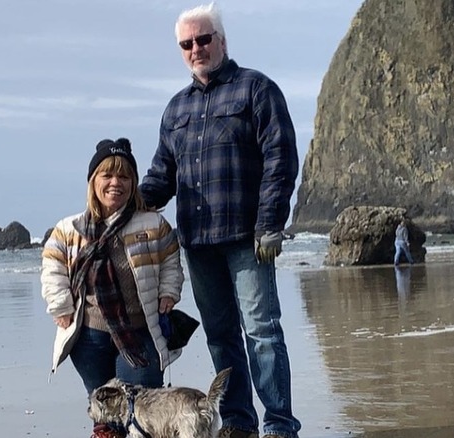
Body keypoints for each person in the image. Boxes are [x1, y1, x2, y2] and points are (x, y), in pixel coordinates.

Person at [138, 4, 300, 438]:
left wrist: (270, 224)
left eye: (204, 39)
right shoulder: (175, 110)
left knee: (262, 333)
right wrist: (122, 210)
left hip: (248, 240)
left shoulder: (256, 90)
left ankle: (280, 426)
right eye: (187, 44)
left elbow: (280, 159)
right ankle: (239, 422)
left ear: (222, 41)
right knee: (220, 337)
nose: (196, 49)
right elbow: (160, 177)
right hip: (198, 245)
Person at [41, 138, 185, 438]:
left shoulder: (153, 224)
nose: (115, 183)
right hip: (89, 338)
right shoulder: (70, 228)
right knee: (105, 417)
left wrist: (169, 292)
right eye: (107, 175)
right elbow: (52, 265)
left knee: (142, 414)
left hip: (139, 333)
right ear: (94, 181)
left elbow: (171, 257)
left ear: (133, 183)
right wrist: (61, 307)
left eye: (124, 176)